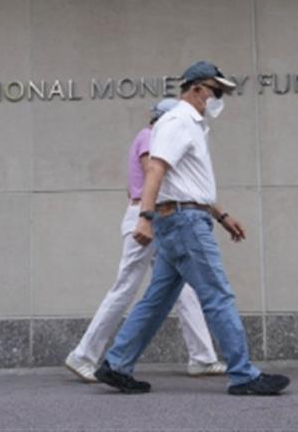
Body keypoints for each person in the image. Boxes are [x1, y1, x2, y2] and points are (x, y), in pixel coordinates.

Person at [94, 61, 291, 396]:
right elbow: (156, 169)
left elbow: (187, 184)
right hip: (185, 223)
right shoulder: (178, 121)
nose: (219, 99)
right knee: (217, 294)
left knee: (158, 299)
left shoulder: (192, 125)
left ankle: (116, 364)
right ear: (197, 88)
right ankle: (243, 375)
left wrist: (222, 216)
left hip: (184, 219)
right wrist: (145, 217)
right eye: (217, 91)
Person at [64, 98, 227, 382]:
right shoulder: (151, 137)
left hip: (156, 216)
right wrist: (149, 217)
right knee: (125, 287)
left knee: (184, 290)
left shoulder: (153, 136)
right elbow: (156, 176)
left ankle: (202, 358)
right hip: (148, 216)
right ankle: (83, 356)